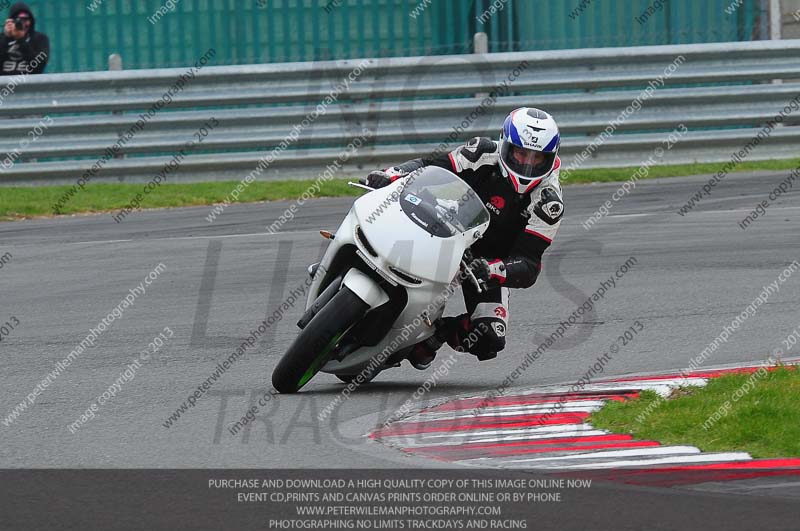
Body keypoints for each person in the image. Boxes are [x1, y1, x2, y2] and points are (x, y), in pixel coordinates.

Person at [366, 107, 565, 368]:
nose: (527, 163)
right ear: (506, 144)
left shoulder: (549, 203)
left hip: (486, 263)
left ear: (551, 158)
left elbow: (528, 265)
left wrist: (493, 270)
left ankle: (435, 335)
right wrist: (392, 174)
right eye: (521, 153)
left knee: (490, 337)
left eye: (537, 157)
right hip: (449, 227)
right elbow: (430, 166)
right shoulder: (481, 152)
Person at [1, 2, 49, 76]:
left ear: (31, 21)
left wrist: (21, 40)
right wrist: (6, 38)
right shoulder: (2, 39)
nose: (23, 24)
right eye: (19, 21)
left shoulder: (40, 39)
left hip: (31, 82)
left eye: (26, 20)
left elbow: (39, 65)